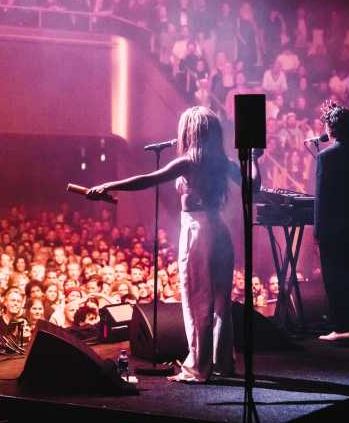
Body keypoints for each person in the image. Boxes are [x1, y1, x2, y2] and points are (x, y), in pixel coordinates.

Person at [88, 106, 262, 383]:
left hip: (197, 233)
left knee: (196, 300)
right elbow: (253, 186)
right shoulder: (224, 161)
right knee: (220, 303)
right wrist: (253, 158)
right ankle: (222, 363)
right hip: (219, 230)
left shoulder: (188, 161)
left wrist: (111, 185)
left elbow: (148, 180)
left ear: (190, 131)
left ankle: (197, 368)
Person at [314, 101, 349, 341]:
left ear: (331, 129)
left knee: (332, 276)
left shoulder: (326, 156)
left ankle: (340, 328)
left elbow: (321, 196)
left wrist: (317, 230)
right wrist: (336, 117)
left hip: (331, 224)